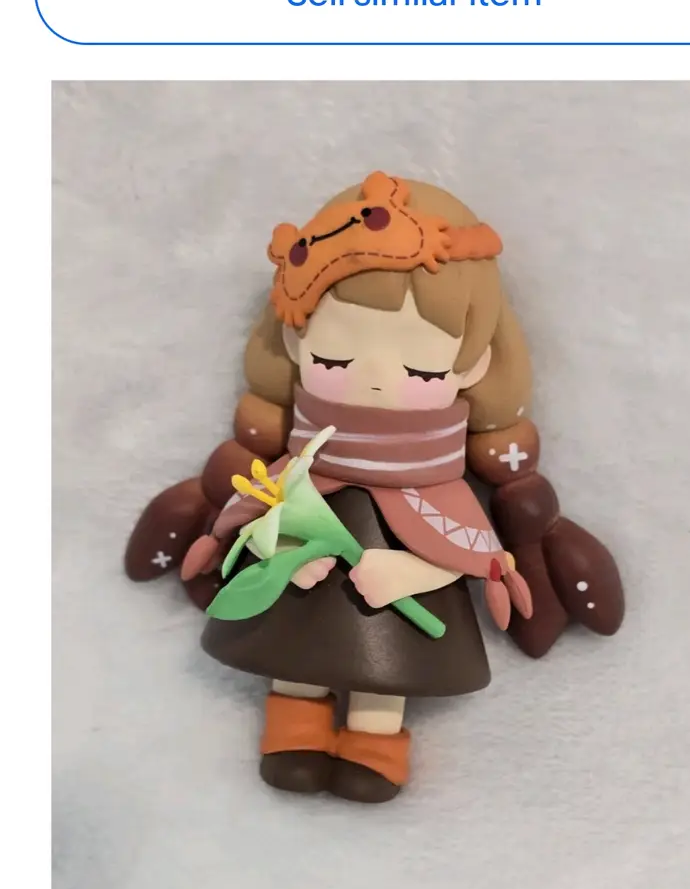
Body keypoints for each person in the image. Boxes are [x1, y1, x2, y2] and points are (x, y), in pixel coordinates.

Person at [126, 173, 624, 801]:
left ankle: (373, 748)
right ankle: (292, 734)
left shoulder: (435, 484)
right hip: (298, 602)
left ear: (470, 366)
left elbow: (467, 548)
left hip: (393, 606)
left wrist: (411, 572)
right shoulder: (297, 466)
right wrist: (283, 551)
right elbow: (259, 510)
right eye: (335, 360)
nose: (378, 380)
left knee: (382, 684)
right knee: (294, 662)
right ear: (295, 342)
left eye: (420, 369)